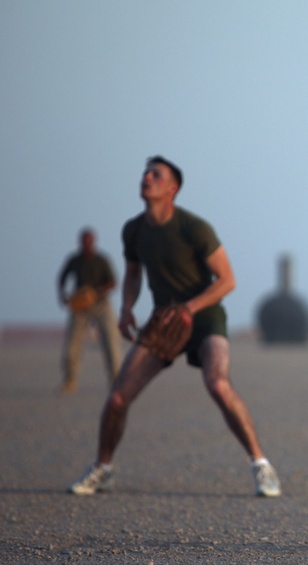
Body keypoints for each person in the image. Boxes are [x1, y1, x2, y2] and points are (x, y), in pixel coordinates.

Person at [68, 156, 281, 497]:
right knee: (119, 397)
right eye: (145, 173)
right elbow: (134, 274)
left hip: (205, 317)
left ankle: (262, 466)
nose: (147, 178)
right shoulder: (133, 230)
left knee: (218, 384)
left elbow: (227, 280)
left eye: (156, 174)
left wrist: (191, 307)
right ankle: (102, 468)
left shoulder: (194, 228)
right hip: (163, 321)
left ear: (173, 188)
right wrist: (125, 309)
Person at [57, 229, 123, 393]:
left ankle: (117, 382)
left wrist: (97, 293)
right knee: (72, 344)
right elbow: (62, 277)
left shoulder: (101, 260)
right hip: (80, 307)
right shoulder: (74, 260)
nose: (86, 244)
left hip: (101, 305)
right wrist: (63, 296)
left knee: (111, 343)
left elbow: (114, 282)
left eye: (89, 241)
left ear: (94, 242)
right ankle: (69, 380)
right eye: (83, 241)